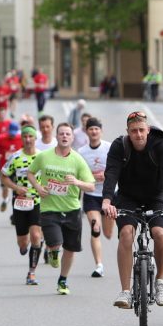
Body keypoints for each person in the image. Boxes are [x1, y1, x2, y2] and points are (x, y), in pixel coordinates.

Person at [101, 111, 163, 309]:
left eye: (141, 130)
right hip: (127, 196)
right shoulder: (119, 146)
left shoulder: (160, 144)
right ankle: (126, 291)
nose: (138, 135)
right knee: (126, 234)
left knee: (159, 233)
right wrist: (107, 201)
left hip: (156, 196)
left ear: (148, 130)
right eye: (134, 131)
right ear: (127, 132)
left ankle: (161, 281)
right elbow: (111, 173)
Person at [26, 122, 95, 295]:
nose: (64, 136)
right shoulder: (44, 156)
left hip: (72, 209)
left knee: (71, 248)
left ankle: (63, 280)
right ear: (57, 137)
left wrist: (77, 182)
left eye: (68, 134)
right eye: (61, 133)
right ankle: (53, 252)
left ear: (72, 138)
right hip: (49, 208)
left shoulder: (78, 159)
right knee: (55, 242)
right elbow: (30, 172)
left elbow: (91, 186)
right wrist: (38, 187)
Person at [1, 124, 43, 285]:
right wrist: (16, 187)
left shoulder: (41, 156)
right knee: (23, 242)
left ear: (35, 138)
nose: (28, 139)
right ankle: (24, 246)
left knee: (36, 236)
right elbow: (4, 176)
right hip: (20, 203)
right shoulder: (16, 157)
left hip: (37, 201)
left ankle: (31, 273)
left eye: (30, 136)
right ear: (22, 139)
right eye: (25, 137)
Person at [77, 117, 113, 279]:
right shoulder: (81, 152)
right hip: (91, 195)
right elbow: (78, 173)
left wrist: (106, 175)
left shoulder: (109, 148)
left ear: (101, 131)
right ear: (86, 131)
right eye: (91, 129)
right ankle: (99, 265)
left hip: (110, 194)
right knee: (95, 228)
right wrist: (91, 176)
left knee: (108, 233)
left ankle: (106, 228)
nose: (93, 131)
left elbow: (118, 167)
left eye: (96, 129)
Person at [0, 120, 23, 213]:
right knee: (5, 187)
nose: (12, 135)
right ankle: (5, 200)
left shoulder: (21, 138)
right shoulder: (1, 139)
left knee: (16, 189)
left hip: (17, 169)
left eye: (14, 133)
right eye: (11, 133)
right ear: (8, 130)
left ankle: (16, 209)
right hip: (4, 168)